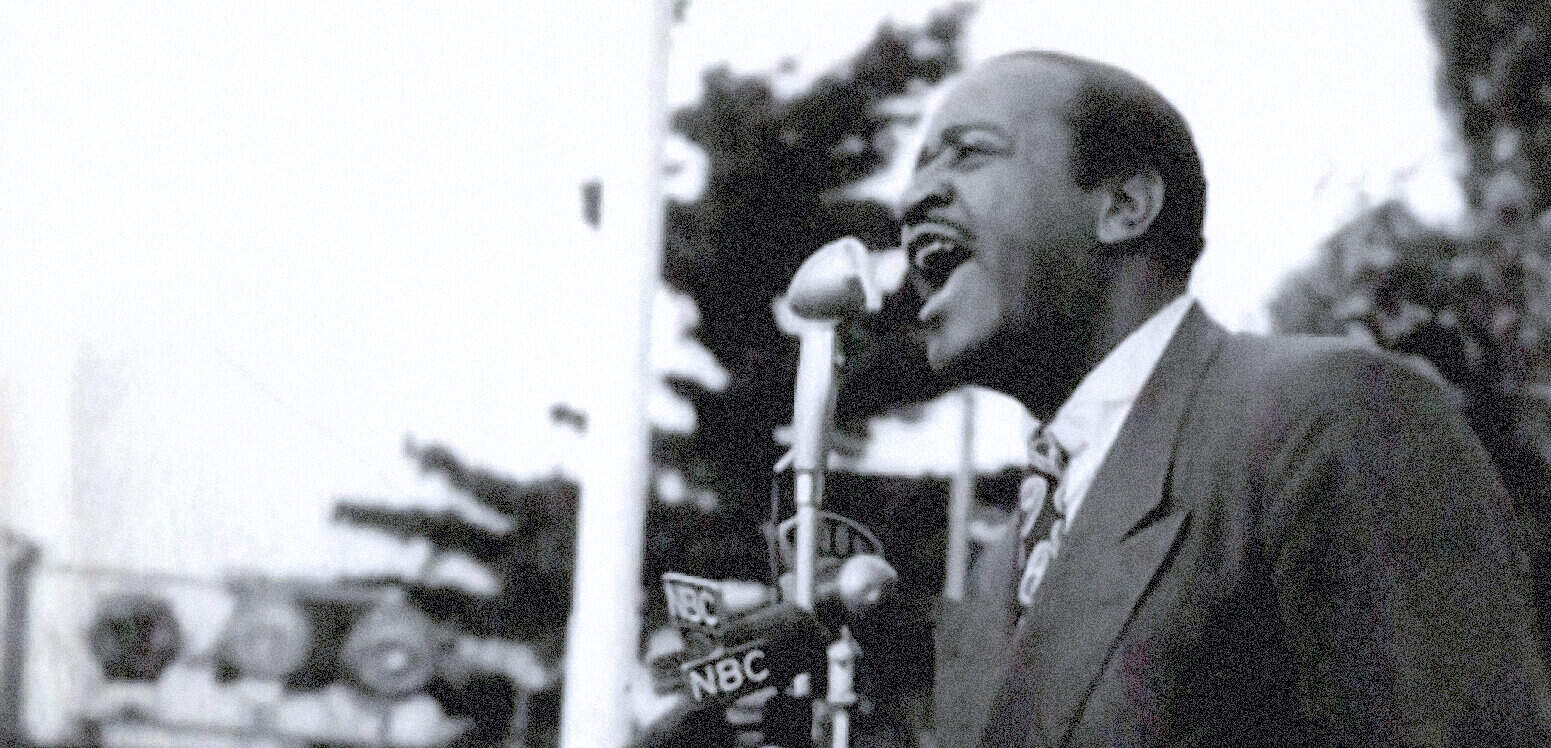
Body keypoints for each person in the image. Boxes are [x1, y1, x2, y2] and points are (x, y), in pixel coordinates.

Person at [867, 50, 1551, 746]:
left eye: (968, 153)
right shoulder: (993, 578)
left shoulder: (1328, 414)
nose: (913, 197)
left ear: (1124, 206)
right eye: (919, 165)